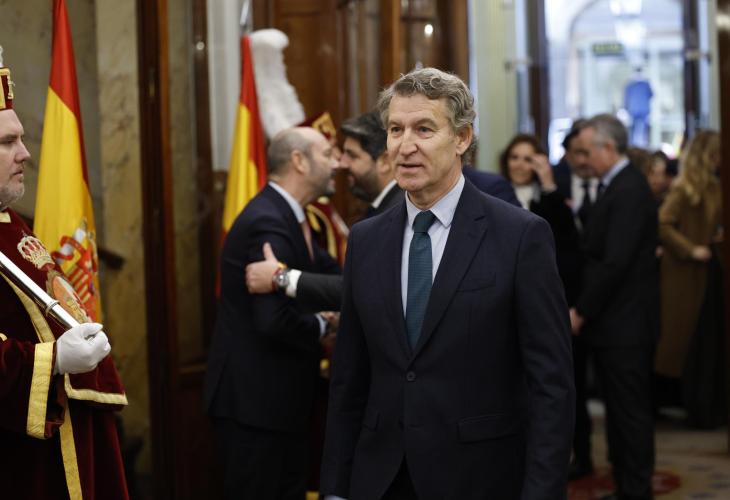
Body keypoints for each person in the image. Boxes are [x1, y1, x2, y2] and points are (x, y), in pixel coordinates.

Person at [320, 67, 574, 500]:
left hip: (479, 478)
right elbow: (350, 379)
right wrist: (336, 489)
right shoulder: (366, 240)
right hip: (380, 479)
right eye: (395, 130)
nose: (406, 146)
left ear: (461, 138)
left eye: (424, 129)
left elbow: (550, 385)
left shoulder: (519, 236)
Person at [0, 59, 129, 499]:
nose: (25, 153)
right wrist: (52, 361)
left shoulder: (12, 223)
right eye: (8, 142)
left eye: (22, 138)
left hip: (66, 443)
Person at [203, 127, 341, 500]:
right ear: (299, 161)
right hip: (256, 406)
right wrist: (323, 325)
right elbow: (272, 320)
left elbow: (332, 276)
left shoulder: (293, 217)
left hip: (277, 403)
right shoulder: (269, 221)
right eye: (327, 154)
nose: (337, 164)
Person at [570, 113, 658, 500]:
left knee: (629, 414)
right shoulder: (617, 185)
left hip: (626, 325)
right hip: (616, 324)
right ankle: (627, 486)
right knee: (620, 414)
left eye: (588, 151)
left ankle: (635, 490)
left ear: (608, 147)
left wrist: (582, 310)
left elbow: (614, 263)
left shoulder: (628, 189)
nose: (584, 159)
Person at [655, 130, 722, 421]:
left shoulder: (714, 185)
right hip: (685, 274)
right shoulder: (685, 188)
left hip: (708, 272)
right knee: (684, 339)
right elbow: (663, 223)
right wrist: (690, 249)